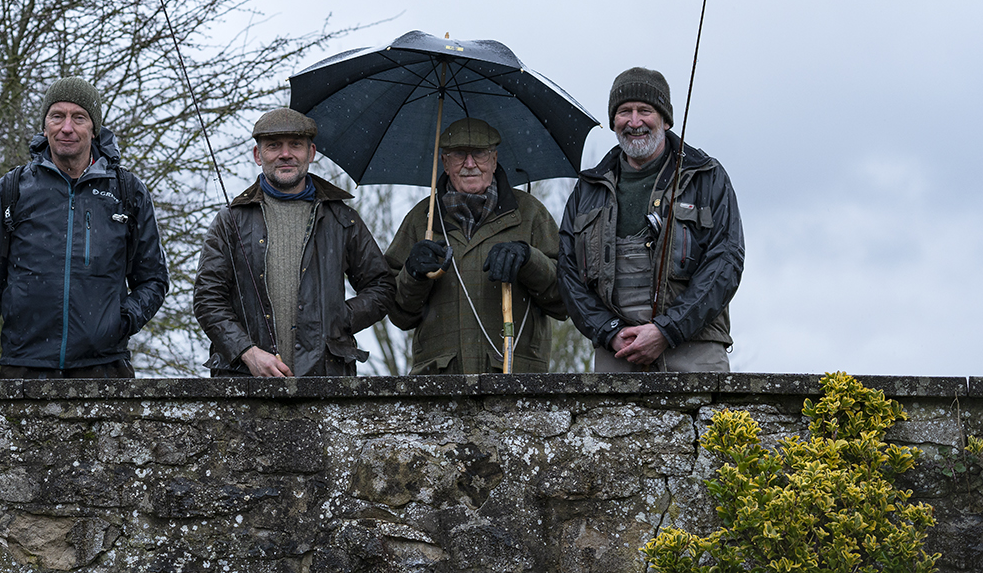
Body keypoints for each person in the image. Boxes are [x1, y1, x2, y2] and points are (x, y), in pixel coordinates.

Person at [0, 77, 168, 379]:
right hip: (23, 369)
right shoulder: (12, 190)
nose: (67, 127)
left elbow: (154, 279)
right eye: (57, 116)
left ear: (94, 128)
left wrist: (121, 321)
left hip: (104, 369)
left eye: (79, 117)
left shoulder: (128, 192)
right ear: (45, 124)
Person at [557, 67, 744, 372]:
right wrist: (609, 332)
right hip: (617, 352)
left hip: (694, 348)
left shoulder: (707, 177)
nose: (634, 122)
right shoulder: (587, 188)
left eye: (645, 110)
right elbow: (567, 273)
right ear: (613, 121)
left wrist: (667, 330)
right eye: (624, 112)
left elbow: (726, 261)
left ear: (665, 119)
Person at [193, 108, 395, 377]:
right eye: (274, 146)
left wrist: (340, 318)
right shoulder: (230, 221)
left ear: (310, 153)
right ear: (258, 155)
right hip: (244, 380)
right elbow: (208, 299)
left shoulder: (343, 219)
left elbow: (381, 286)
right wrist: (247, 352)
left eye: (295, 145)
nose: (285, 154)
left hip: (327, 377)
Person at [384, 118, 568, 373]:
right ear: (445, 163)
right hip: (440, 382)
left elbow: (564, 300)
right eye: (459, 154)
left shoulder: (530, 213)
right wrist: (413, 275)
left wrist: (529, 260)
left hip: (516, 377)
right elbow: (400, 314)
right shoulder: (420, 219)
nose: (470, 164)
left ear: (494, 160)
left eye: (479, 154)